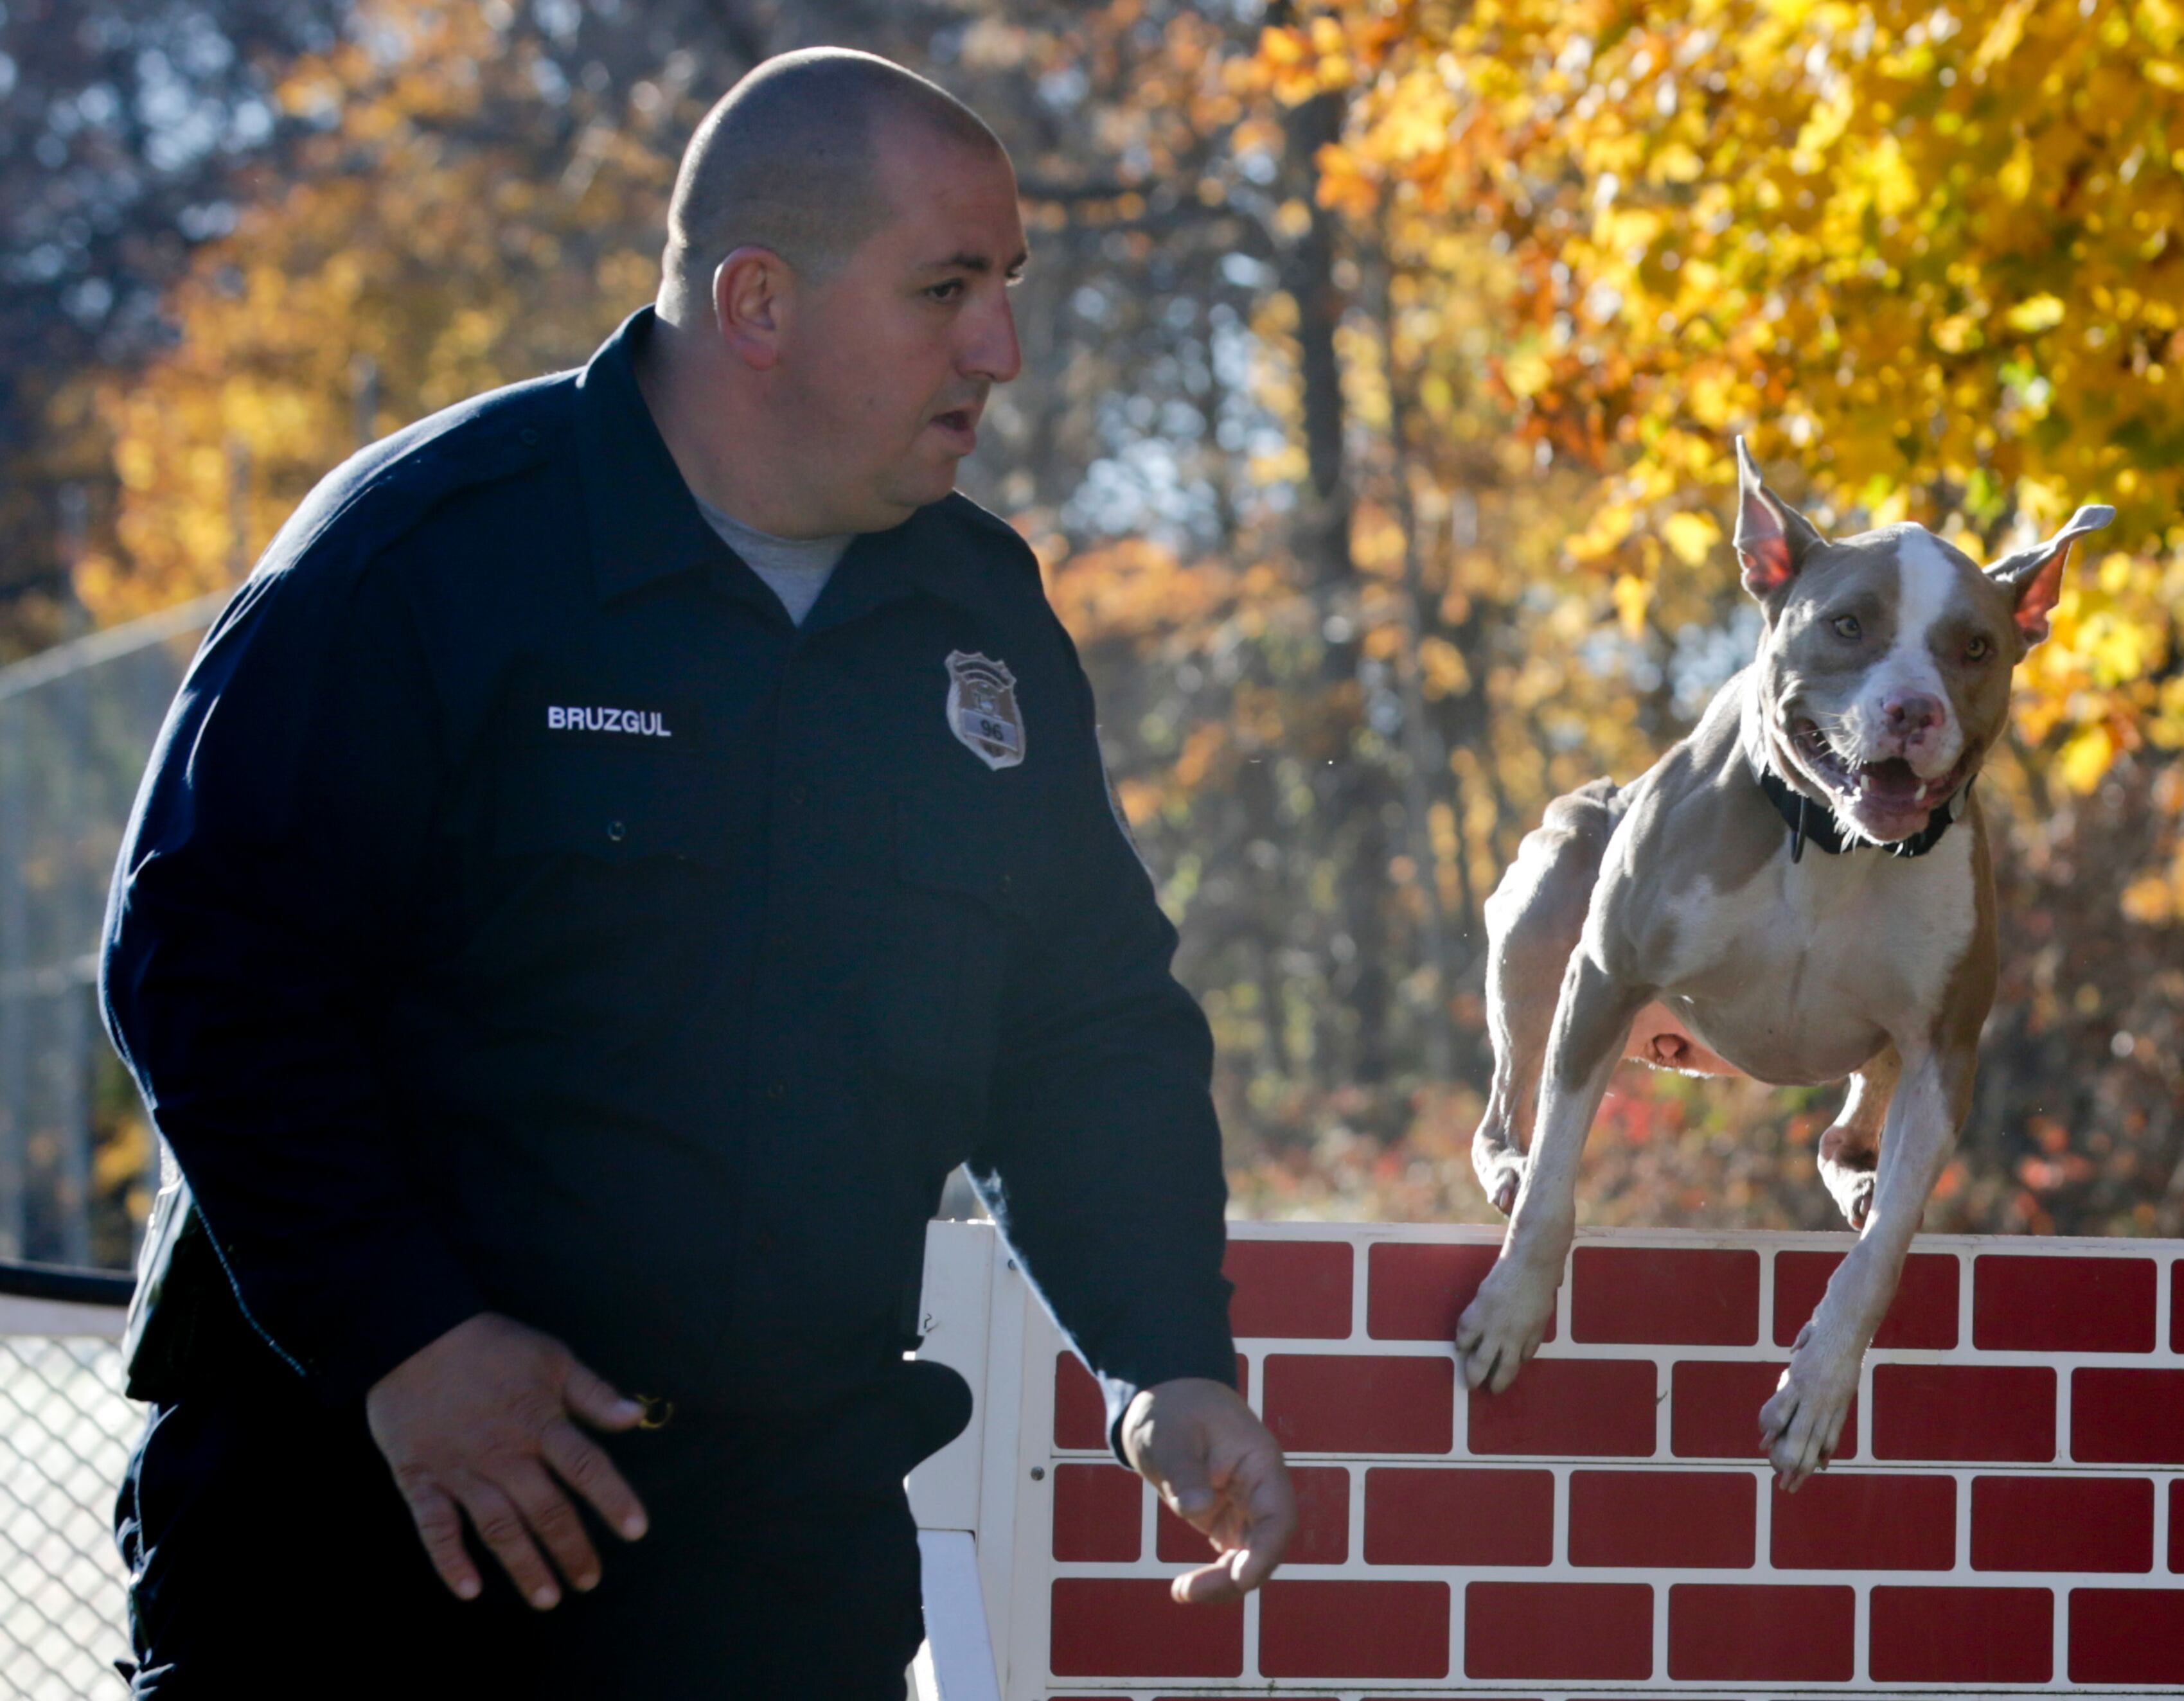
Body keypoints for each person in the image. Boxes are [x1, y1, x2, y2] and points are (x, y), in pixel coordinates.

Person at [102, 47, 1292, 1697]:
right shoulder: (435, 553)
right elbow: (205, 960)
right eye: (947, 288)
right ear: (757, 303)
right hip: (373, 1529)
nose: (1000, 350)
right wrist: (409, 1337)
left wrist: (1168, 1356)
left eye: (1007, 286)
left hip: (769, 1561)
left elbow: (1080, 1034)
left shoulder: (979, 617)